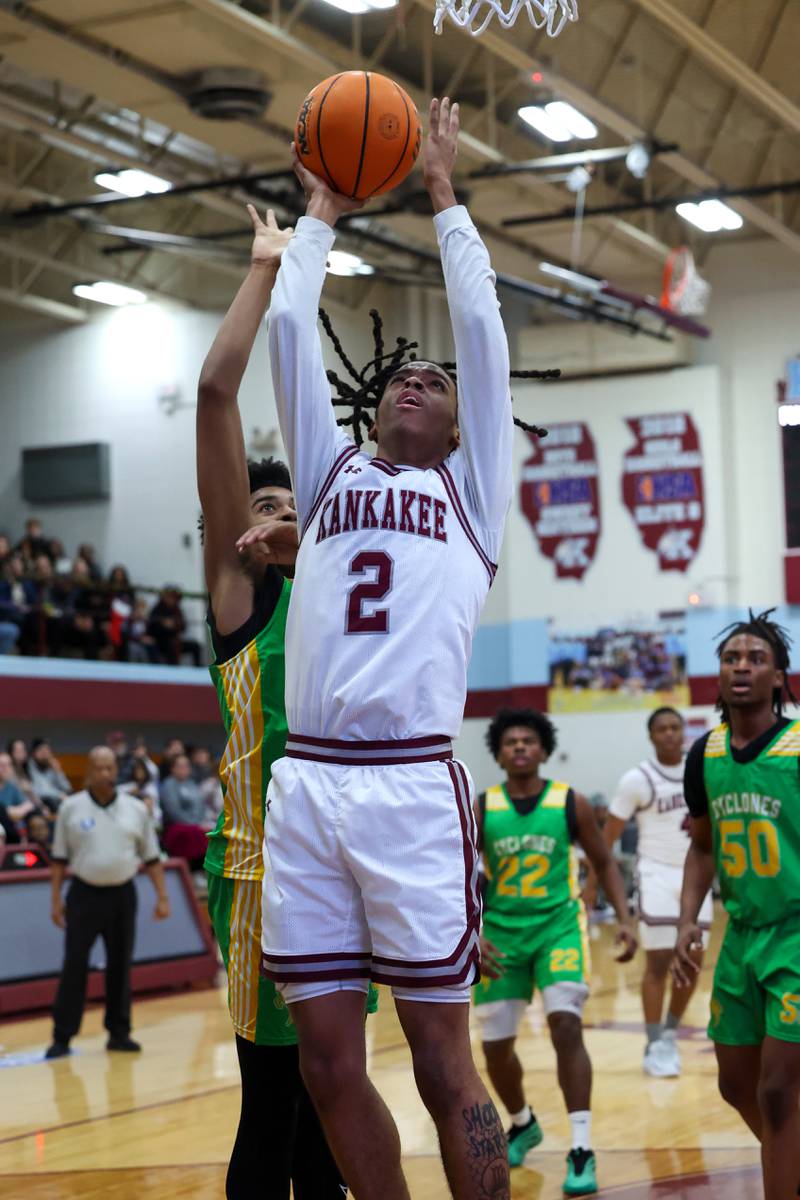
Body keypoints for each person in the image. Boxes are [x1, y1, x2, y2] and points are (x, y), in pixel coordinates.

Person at [238, 96, 519, 1200]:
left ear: (459, 427)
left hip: (406, 788)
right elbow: (289, 332)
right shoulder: (330, 473)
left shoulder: (470, 494)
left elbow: (484, 335)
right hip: (307, 785)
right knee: (323, 1061)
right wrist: (320, 207)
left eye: (437, 383)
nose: (418, 376)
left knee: (443, 1056)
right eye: (405, 373)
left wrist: (443, 195)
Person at [197, 206, 360, 1200]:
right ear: (229, 532)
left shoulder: (339, 597)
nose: (284, 514)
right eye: (264, 505)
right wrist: (269, 267)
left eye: (295, 502)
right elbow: (217, 394)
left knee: (332, 1109)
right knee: (275, 1106)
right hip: (263, 873)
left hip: (343, 868)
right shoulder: (242, 596)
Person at [473, 709, 637, 1195]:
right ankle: (522, 1121)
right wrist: (469, 932)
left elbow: (604, 862)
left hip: (558, 927)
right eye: (510, 742)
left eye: (528, 740)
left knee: (565, 1023)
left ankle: (582, 1147)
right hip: (501, 932)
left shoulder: (571, 802)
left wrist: (625, 921)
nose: (520, 747)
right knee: (496, 1046)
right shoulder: (483, 805)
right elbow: (461, 877)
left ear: (543, 749)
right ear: (498, 753)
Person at [674, 610, 800, 1200]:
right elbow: (702, 848)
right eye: (731, 659)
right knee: (735, 1085)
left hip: (796, 936)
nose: (741, 667)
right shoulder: (704, 754)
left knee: (779, 1092)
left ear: (779, 677)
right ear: (719, 674)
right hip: (741, 936)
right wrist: (686, 923)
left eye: (756, 659)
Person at [603, 707, 712, 1077]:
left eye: (675, 727)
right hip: (655, 874)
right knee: (660, 962)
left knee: (693, 959)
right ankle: (654, 1042)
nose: (669, 733)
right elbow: (608, 839)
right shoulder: (638, 779)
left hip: (696, 875)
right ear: (651, 736)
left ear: (684, 732)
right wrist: (592, 887)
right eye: (662, 728)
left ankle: (669, 1032)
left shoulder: (702, 768)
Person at [46, 746, 170, 1058]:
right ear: (88, 771)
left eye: (110, 768)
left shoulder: (135, 809)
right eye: (99, 768)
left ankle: (119, 1032)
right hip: (83, 894)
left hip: (122, 895)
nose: (105, 773)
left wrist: (162, 897)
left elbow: (152, 858)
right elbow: (59, 860)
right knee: (74, 964)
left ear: (117, 771)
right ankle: (62, 1036)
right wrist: (55, 901)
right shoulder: (70, 808)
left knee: (120, 965)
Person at [28, 737, 71, 814]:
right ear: (33, 753)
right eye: (41, 750)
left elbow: (67, 788)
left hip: (57, 800)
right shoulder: (30, 766)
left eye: (47, 750)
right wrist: (58, 795)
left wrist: (58, 772)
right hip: (39, 801)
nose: (45, 753)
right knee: (51, 802)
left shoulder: (52, 766)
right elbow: (39, 791)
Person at [0, 750, 36, 829]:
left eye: (9, 765)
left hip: (11, 823)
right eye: (2, 765)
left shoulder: (11, 786)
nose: (6, 768)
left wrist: (18, 811)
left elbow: (29, 804)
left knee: (35, 817)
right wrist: (9, 811)